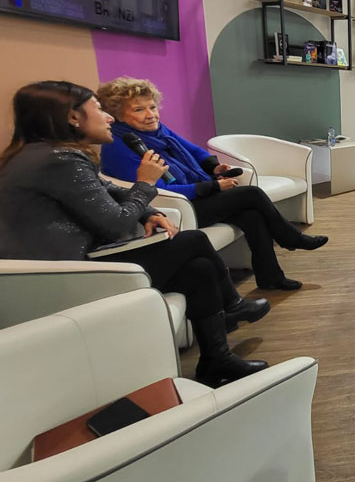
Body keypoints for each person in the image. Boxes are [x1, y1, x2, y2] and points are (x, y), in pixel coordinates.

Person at [0, 81, 270, 387]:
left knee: (199, 268)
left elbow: (109, 190)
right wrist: (145, 183)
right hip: (68, 275)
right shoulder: (57, 160)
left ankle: (216, 360)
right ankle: (232, 307)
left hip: (74, 263)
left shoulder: (47, 154)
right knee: (194, 241)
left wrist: (149, 211)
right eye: (99, 109)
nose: (109, 118)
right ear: (73, 118)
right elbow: (115, 224)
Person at [97, 78, 323, 291]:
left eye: (152, 107)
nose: (150, 115)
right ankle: (290, 237)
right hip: (175, 207)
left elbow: (194, 151)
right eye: (139, 109)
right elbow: (155, 191)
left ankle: (271, 277)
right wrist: (212, 187)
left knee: (252, 215)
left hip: (195, 197)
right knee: (251, 194)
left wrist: (213, 168)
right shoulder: (119, 145)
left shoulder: (159, 131)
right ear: (116, 114)